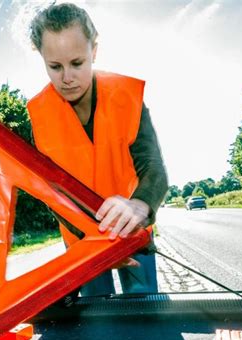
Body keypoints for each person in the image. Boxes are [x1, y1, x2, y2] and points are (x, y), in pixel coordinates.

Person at [27, 3, 168, 296]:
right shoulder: (39, 115)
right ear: (41, 57)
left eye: (77, 62)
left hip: (133, 230)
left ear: (94, 51)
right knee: (96, 325)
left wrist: (140, 207)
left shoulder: (128, 98)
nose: (67, 77)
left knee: (144, 313)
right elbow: (52, 193)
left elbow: (153, 167)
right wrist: (94, 238)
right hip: (81, 241)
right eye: (55, 66)